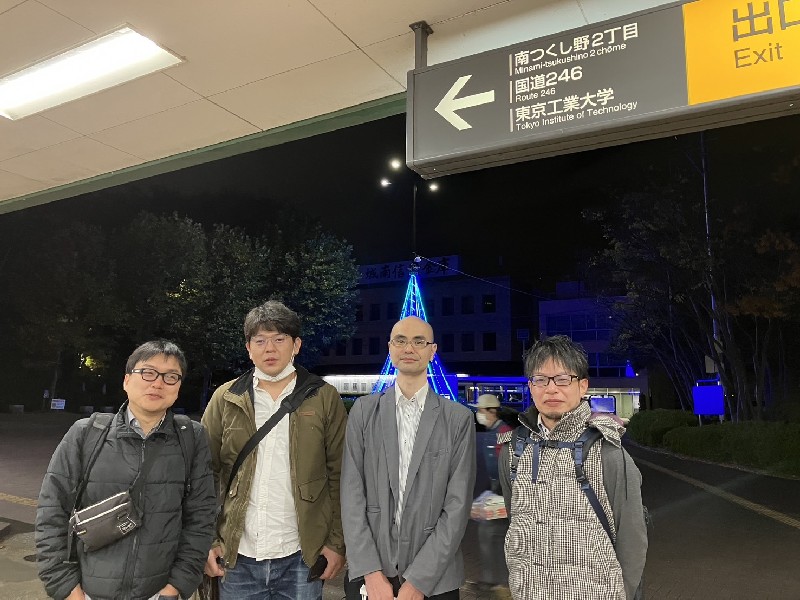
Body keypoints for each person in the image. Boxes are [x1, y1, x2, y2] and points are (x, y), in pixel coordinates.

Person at [36, 340, 217, 600]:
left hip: (159, 592)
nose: (158, 383)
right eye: (148, 372)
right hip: (88, 591)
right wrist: (64, 586)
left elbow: (201, 516)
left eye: (171, 377)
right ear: (127, 380)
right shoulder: (86, 433)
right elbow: (52, 510)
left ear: (178, 387)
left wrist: (177, 586)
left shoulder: (191, 437)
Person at [201, 300, 347, 600]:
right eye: (260, 341)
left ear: (296, 345)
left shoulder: (323, 397)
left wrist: (336, 543)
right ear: (248, 348)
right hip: (237, 556)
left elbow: (341, 473)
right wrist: (206, 541)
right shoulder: (226, 397)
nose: (270, 349)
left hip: (301, 556)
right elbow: (202, 473)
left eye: (279, 339)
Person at [498, 335, 647, 600]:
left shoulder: (609, 451)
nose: (551, 389)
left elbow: (632, 537)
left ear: (582, 386)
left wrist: (623, 592)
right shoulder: (514, 450)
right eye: (540, 379)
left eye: (563, 379)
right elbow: (515, 521)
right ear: (531, 386)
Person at [342, 316, 476, 600]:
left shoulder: (457, 419)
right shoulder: (363, 412)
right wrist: (370, 572)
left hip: (436, 580)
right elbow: (351, 497)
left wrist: (418, 582)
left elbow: (458, 505)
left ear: (432, 350)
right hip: (372, 574)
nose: (409, 348)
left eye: (419, 341)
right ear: (390, 348)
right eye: (400, 341)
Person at [468, 394, 513, 592]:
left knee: (490, 534)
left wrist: (501, 495)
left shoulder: (504, 433)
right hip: (497, 492)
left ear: (491, 411)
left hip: (504, 493)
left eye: (481, 410)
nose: (478, 414)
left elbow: (511, 466)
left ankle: (497, 581)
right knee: (492, 535)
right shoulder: (493, 432)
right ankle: (497, 580)